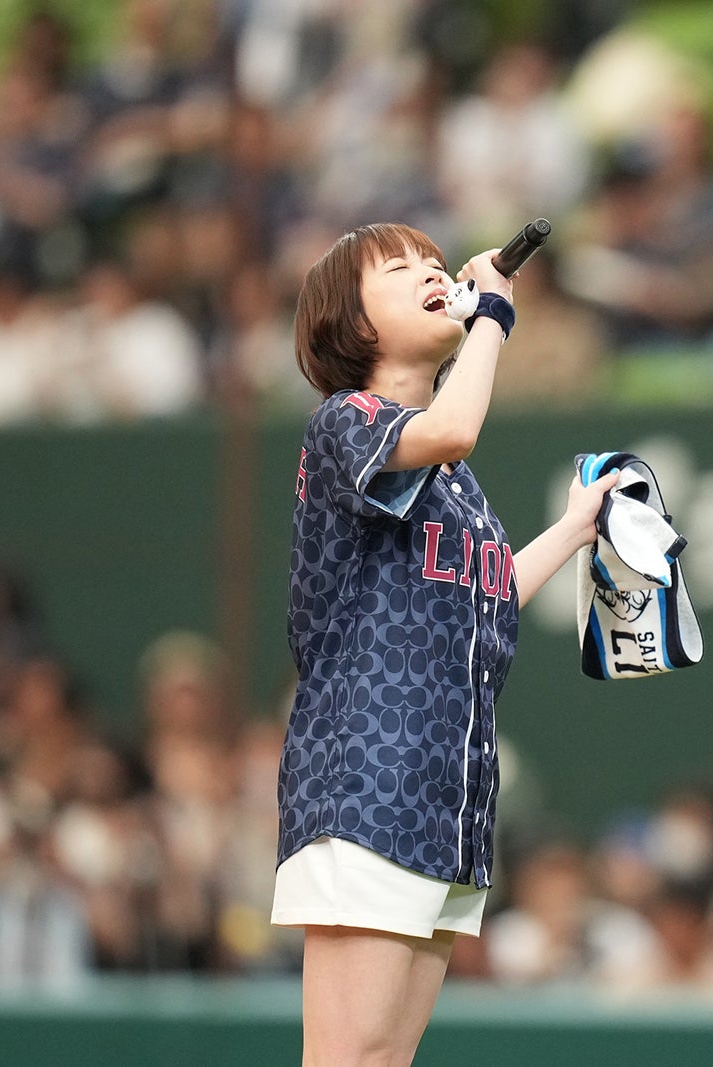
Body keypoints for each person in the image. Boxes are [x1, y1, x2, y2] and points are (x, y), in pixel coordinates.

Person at [270, 221, 617, 1065]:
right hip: (366, 783)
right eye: (399, 270)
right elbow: (456, 425)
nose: (430, 271)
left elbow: (488, 591)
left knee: (383, 1061)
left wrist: (575, 530)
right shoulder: (347, 420)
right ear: (350, 324)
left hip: (445, 798)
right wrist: (494, 314)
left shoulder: (450, 481)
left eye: (435, 263)